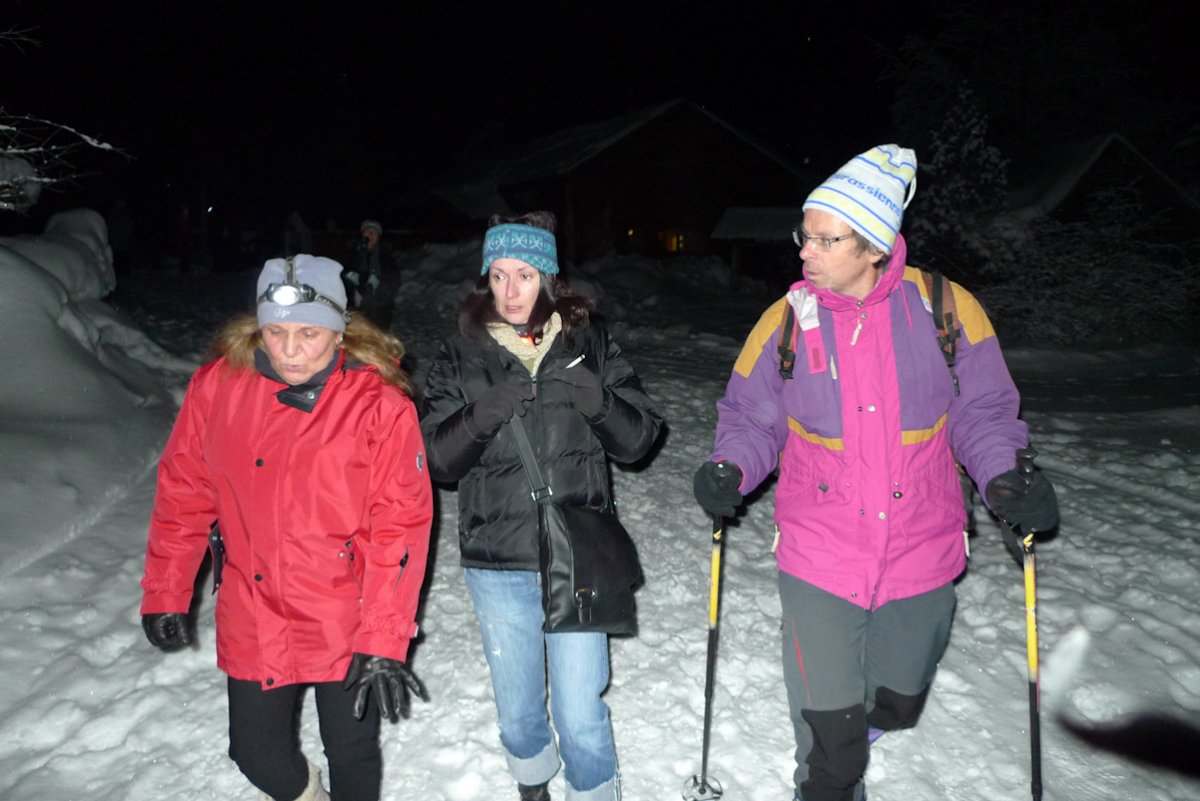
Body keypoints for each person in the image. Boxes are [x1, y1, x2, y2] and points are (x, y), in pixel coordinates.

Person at [692, 145, 1059, 801]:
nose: (805, 251)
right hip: (819, 552)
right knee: (831, 755)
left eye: (825, 239)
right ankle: (828, 770)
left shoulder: (947, 309)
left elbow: (983, 413)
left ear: (874, 246)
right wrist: (731, 466)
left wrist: (1006, 479)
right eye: (804, 235)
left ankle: (857, 734)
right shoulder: (786, 321)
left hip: (923, 546)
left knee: (897, 701)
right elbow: (752, 416)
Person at [139, 254, 434, 801]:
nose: (291, 350)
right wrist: (166, 590)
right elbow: (184, 493)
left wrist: (384, 636)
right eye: (276, 332)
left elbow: (400, 525)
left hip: (345, 609)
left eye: (309, 334)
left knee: (351, 750)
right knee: (255, 752)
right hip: (255, 606)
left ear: (339, 332)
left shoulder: (378, 404)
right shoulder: (217, 388)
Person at [419, 211, 663, 801]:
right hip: (497, 558)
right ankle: (532, 783)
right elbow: (436, 460)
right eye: (498, 275)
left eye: (524, 275)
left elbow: (639, 441)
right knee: (520, 709)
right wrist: (479, 416)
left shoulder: (589, 345)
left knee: (581, 712)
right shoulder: (460, 353)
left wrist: (600, 401)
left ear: (548, 279)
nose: (510, 291)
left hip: (577, 552)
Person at [344, 219, 398, 331]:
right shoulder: (351, 252)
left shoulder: (385, 255)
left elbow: (393, 280)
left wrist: (376, 287)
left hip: (378, 305)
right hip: (353, 306)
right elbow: (341, 274)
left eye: (374, 232)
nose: (370, 234)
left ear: (379, 237)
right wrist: (350, 280)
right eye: (367, 231)